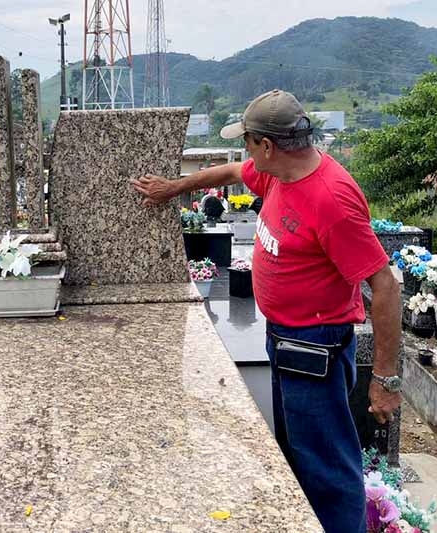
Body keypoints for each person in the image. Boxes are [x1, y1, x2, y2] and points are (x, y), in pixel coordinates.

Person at [132, 89, 402, 533]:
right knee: (299, 453)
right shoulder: (278, 174)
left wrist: (385, 380)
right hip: (284, 340)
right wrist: (175, 188)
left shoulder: (331, 198)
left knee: (328, 468)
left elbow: (384, 285)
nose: (245, 151)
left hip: (315, 348)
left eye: (248, 141)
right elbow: (234, 170)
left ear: (268, 145)